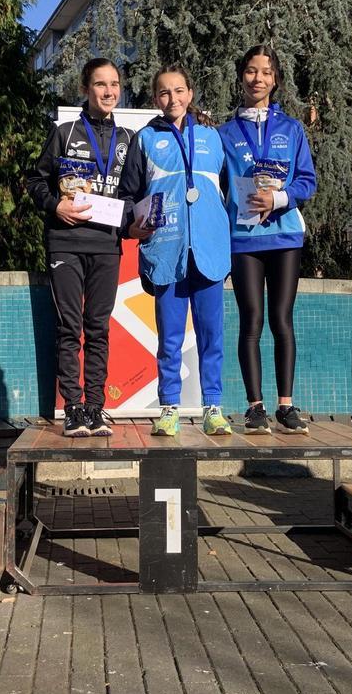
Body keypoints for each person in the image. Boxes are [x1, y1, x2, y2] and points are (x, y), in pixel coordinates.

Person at [119, 64, 233, 437]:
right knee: (169, 336)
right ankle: (168, 406)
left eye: (179, 91)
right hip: (167, 252)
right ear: (156, 99)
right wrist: (133, 227)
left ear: (190, 94)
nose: (173, 99)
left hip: (208, 253)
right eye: (165, 93)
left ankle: (212, 407)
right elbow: (128, 194)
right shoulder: (145, 139)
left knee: (211, 334)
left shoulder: (213, 139)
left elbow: (229, 195)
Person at [26, 59, 136, 436]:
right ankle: (72, 408)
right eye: (100, 84)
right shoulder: (64, 132)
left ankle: (94, 406)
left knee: (99, 328)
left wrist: (136, 219)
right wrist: (55, 205)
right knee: (70, 327)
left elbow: (132, 194)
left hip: (107, 245)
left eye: (114, 84)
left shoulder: (126, 140)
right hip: (66, 243)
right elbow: (36, 181)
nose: (109, 91)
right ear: (85, 89)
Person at [218, 45, 317, 433]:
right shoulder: (225, 133)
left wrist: (278, 198)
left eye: (265, 72)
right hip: (244, 238)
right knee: (251, 321)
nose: (257, 78)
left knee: (281, 319)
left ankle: (287, 406)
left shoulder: (291, 129)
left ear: (275, 80)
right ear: (241, 76)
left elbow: (307, 180)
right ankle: (255, 406)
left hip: (285, 234)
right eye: (250, 71)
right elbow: (215, 184)